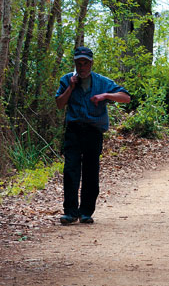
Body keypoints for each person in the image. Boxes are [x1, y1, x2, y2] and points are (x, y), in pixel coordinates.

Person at [53, 46, 131, 225]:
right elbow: (59, 104)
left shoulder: (101, 82)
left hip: (93, 132)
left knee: (91, 172)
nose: (82, 67)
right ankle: (71, 212)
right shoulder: (67, 80)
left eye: (85, 63)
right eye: (78, 63)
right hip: (73, 131)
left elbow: (126, 97)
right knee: (71, 171)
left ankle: (86, 212)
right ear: (75, 64)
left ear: (91, 63)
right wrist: (71, 88)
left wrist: (105, 96)